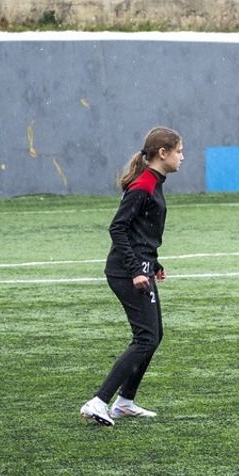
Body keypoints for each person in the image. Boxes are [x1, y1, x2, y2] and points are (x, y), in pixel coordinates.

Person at [80, 127, 185, 426]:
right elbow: (118, 228)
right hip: (126, 273)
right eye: (179, 150)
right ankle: (98, 402)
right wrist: (137, 269)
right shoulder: (143, 185)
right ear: (162, 153)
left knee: (153, 336)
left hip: (139, 268)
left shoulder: (155, 182)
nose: (182, 157)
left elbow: (142, 231)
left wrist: (153, 262)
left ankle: (124, 402)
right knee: (145, 338)